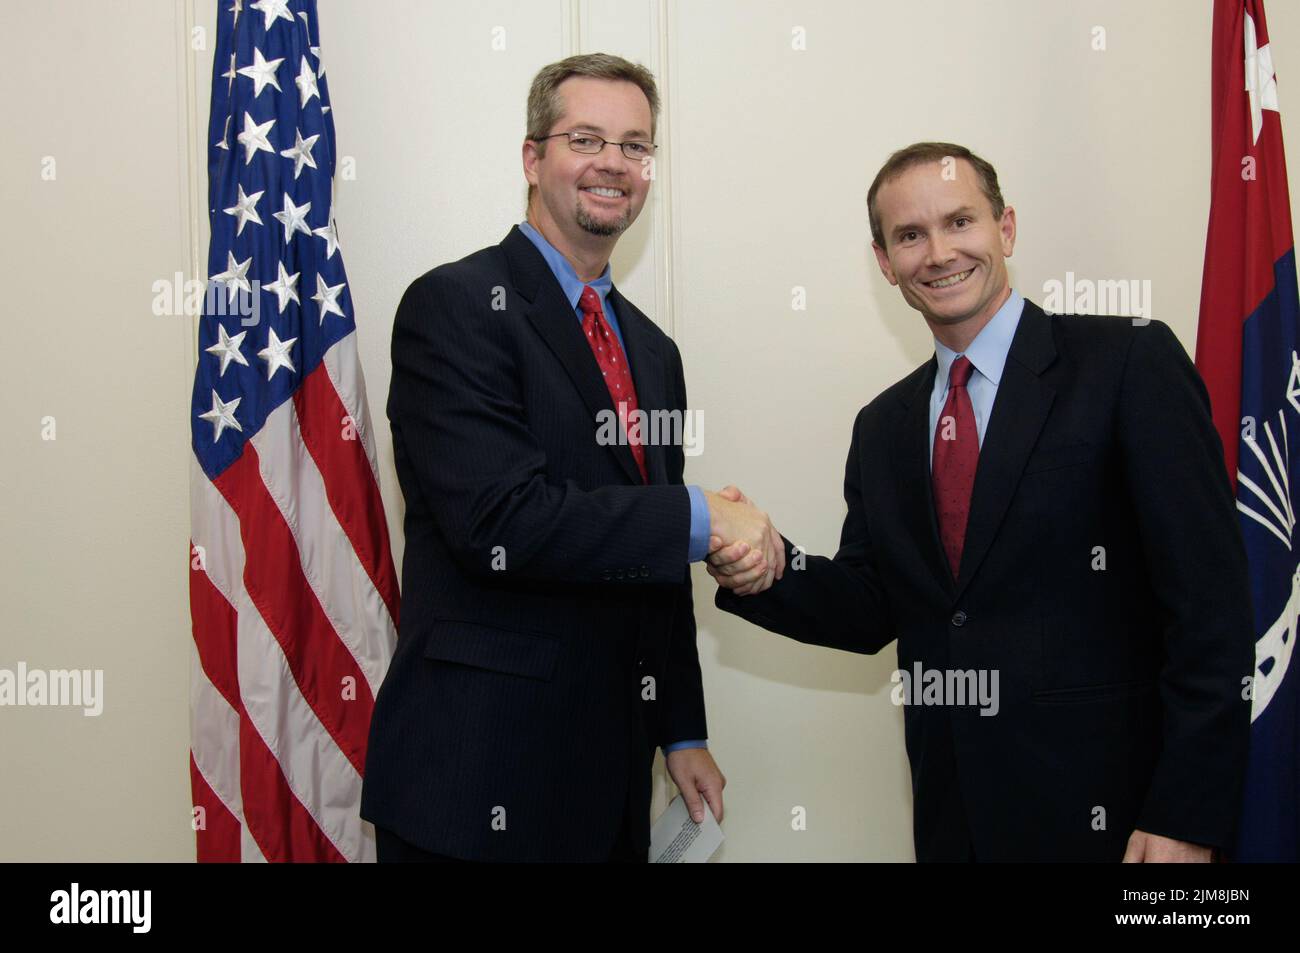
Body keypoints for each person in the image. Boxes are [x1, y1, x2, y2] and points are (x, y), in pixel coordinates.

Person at [708, 142, 1254, 862]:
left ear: (1007, 229)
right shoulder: (883, 426)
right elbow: (874, 604)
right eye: (909, 235)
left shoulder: (1129, 361)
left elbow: (1210, 604)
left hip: (1121, 821)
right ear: (884, 261)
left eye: (959, 221)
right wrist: (762, 561)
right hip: (954, 818)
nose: (938, 252)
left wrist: (1186, 812)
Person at [361, 53, 781, 862]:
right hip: (475, 776)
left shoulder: (654, 352)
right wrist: (701, 514)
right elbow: (500, 519)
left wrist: (681, 728)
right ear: (532, 157)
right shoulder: (453, 306)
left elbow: (651, 559)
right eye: (586, 138)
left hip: (610, 781)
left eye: (635, 145)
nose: (613, 164)